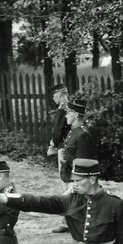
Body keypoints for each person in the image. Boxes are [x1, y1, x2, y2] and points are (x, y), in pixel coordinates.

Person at [46, 83, 72, 233]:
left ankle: (66, 221)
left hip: (64, 148)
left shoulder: (63, 110)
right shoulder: (72, 108)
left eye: (55, 96)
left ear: (61, 95)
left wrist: (54, 145)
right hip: (72, 148)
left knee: (65, 182)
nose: (54, 99)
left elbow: (57, 132)